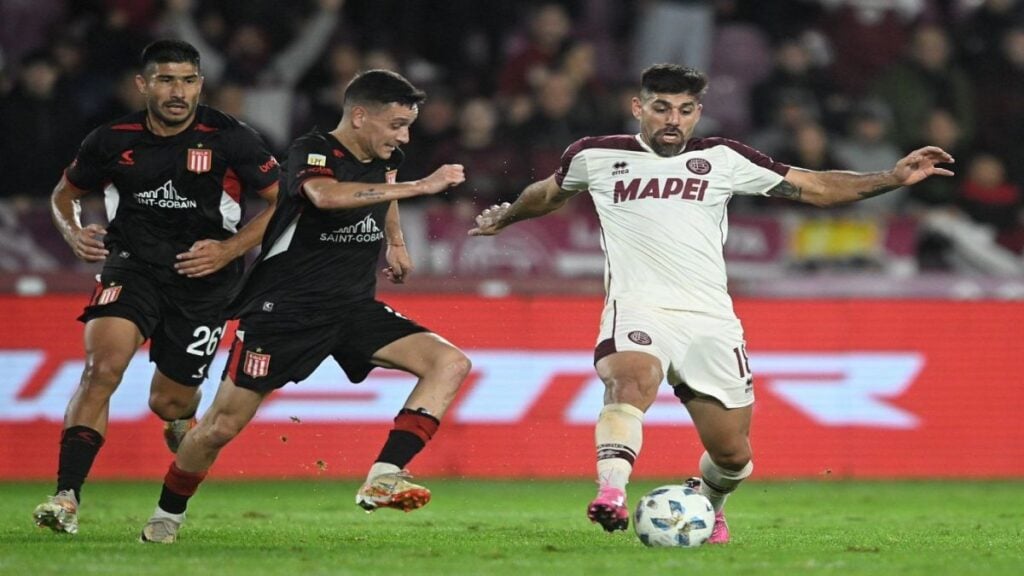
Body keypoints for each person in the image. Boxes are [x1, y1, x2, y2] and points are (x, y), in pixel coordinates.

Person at [469, 64, 954, 543]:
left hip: (710, 320)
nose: (673, 120)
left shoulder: (723, 157)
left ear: (698, 113)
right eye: (661, 108)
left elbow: (815, 187)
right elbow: (548, 194)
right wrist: (506, 217)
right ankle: (611, 492)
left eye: (685, 110)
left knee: (733, 455)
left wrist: (892, 177)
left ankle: (708, 503)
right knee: (630, 381)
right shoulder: (595, 155)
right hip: (638, 306)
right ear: (638, 108)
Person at [138, 69, 472, 544]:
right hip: (285, 311)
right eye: (397, 125)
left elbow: (385, 187)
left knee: (450, 363)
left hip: (352, 307)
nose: (404, 137)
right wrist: (421, 187)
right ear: (360, 116)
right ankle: (166, 516)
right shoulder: (311, 151)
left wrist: (395, 242)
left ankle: (384, 475)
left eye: (408, 126)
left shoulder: (387, 158)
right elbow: (325, 195)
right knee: (218, 428)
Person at [34, 39, 281, 535]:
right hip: (133, 267)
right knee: (101, 369)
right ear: (143, 85)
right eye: (166, 80)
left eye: (188, 81)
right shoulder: (110, 140)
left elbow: (284, 202)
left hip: (206, 280)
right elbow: (64, 194)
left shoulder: (231, 138)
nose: (178, 92)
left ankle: (179, 418)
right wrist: (73, 232)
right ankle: (65, 497)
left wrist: (229, 250)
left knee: (168, 402)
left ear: (200, 85)